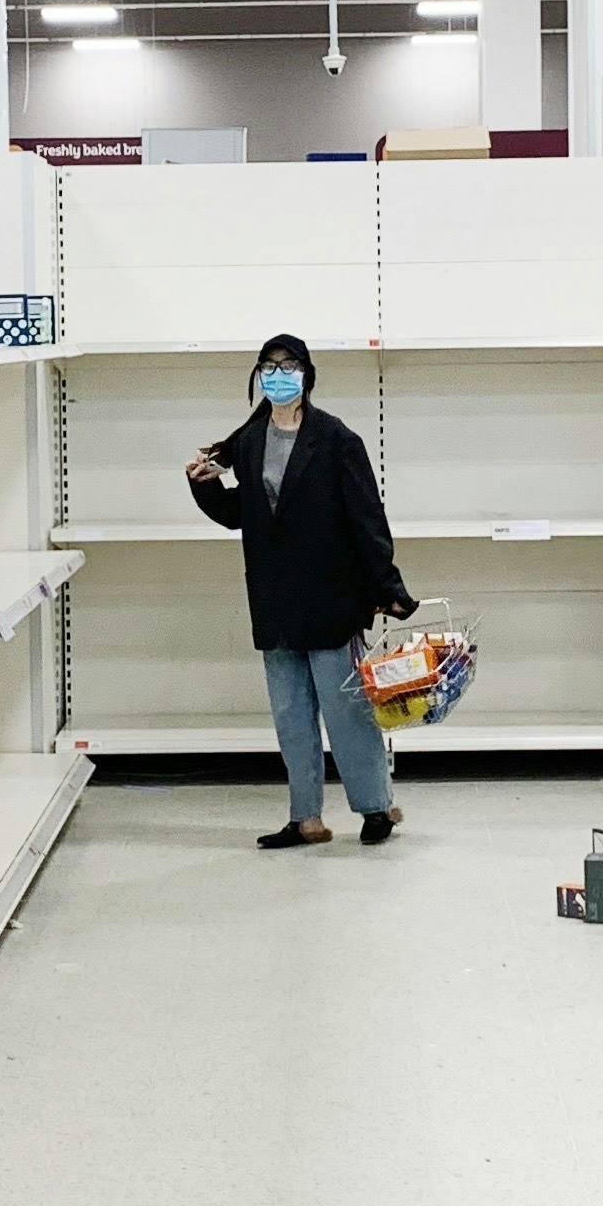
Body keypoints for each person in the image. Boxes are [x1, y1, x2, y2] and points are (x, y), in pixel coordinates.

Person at [186, 333, 415, 849]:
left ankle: (377, 808)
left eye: (288, 365)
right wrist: (203, 484)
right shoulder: (248, 442)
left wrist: (387, 586)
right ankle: (305, 818)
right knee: (291, 718)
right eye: (268, 365)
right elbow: (239, 515)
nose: (278, 373)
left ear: (307, 374)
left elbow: (367, 521)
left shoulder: (337, 441)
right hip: (274, 599)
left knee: (346, 713)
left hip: (332, 599)